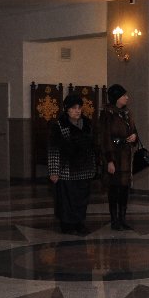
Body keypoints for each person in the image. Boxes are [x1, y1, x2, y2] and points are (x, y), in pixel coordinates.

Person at [47, 94, 96, 235]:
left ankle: (79, 223)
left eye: (79, 108)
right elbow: (53, 150)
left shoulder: (87, 125)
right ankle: (67, 224)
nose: (77, 111)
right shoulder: (59, 125)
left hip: (84, 170)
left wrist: (93, 167)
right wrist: (54, 171)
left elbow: (92, 148)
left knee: (82, 199)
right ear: (66, 109)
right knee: (67, 200)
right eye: (74, 108)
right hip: (67, 170)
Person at [98, 84, 139, 230]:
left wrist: (134, 137)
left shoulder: (127, 113)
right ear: (116, 98)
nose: (127, 97)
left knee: (124, 190)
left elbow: (133, 131)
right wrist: (109, 160)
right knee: (114, 189)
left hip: (126, 158)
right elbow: (104, 139)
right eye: (124, 95)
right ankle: (114, 220)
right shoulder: (107, 114)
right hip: (114, 158)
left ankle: (123, 219)